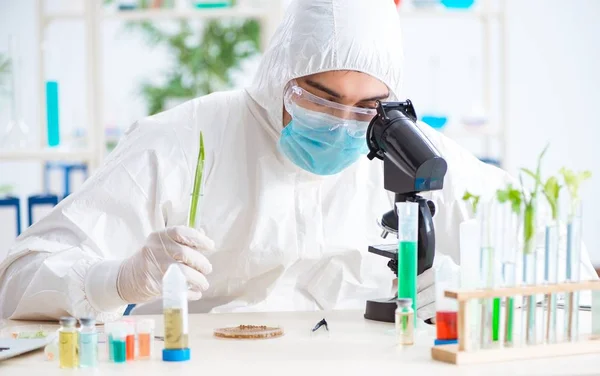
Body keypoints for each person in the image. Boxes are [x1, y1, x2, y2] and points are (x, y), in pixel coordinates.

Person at [0, 0, 596, 323]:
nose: (343, 124)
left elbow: (525, 224)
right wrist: (120, 278)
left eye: (368, 108)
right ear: (279, 77)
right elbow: (18, 279)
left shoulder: (401, 146)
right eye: (321, 99)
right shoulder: (182, 140)